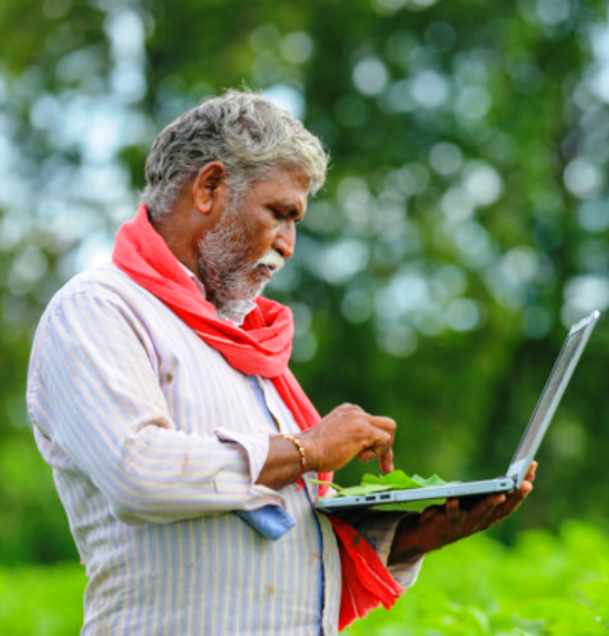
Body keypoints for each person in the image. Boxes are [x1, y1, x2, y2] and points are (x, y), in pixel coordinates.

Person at [26, 89, 535, 635]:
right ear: (210, 187)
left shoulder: (244, 340)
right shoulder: (98, 310)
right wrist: (307, 448)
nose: (288, 245)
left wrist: (416, 537)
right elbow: (139, 471)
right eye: (279, 214)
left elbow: (278, 546)